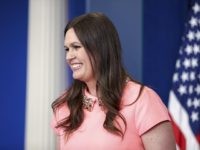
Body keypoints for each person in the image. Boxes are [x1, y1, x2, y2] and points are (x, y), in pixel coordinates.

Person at [51, 12, 176, 150]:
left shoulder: (143, 100)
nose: (69, 56)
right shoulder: (65, 104)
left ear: (100, 48)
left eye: (76, 47)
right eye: (67, 49)